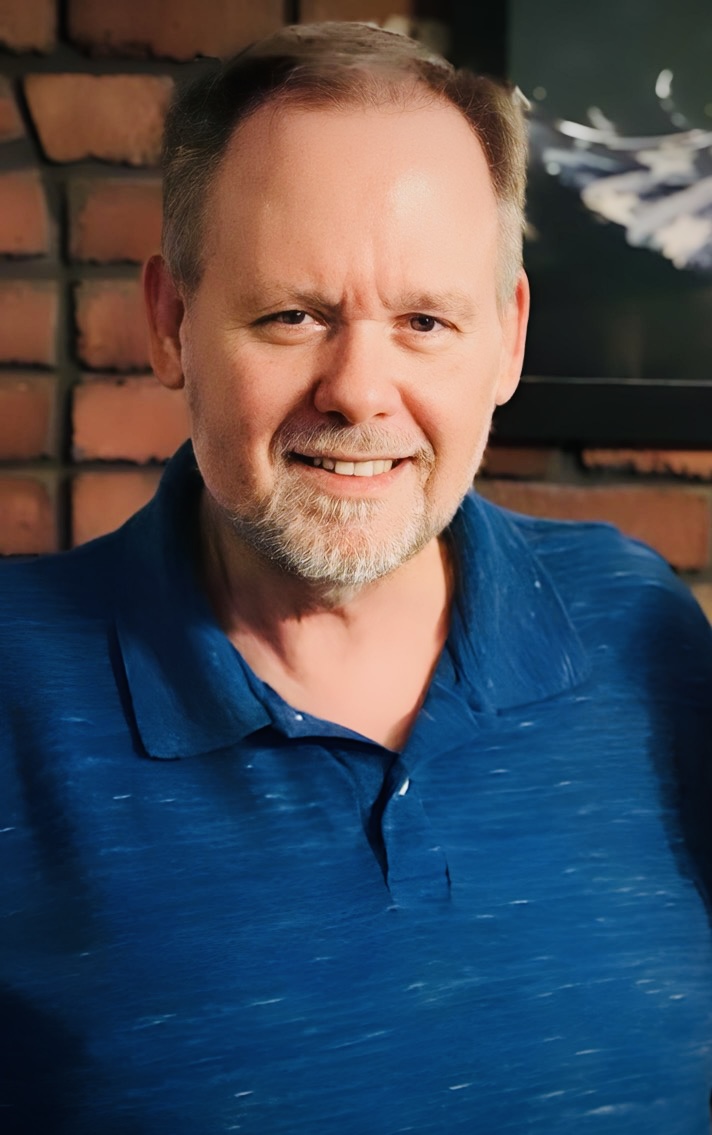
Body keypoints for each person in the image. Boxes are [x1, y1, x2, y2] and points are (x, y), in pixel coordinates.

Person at [1, 22, 711, 1135]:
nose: (359, 390)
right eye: (293, 316)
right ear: (171, 323)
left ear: (507, 339)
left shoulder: (642, 631)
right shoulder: (15, 686)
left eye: (425, 321)